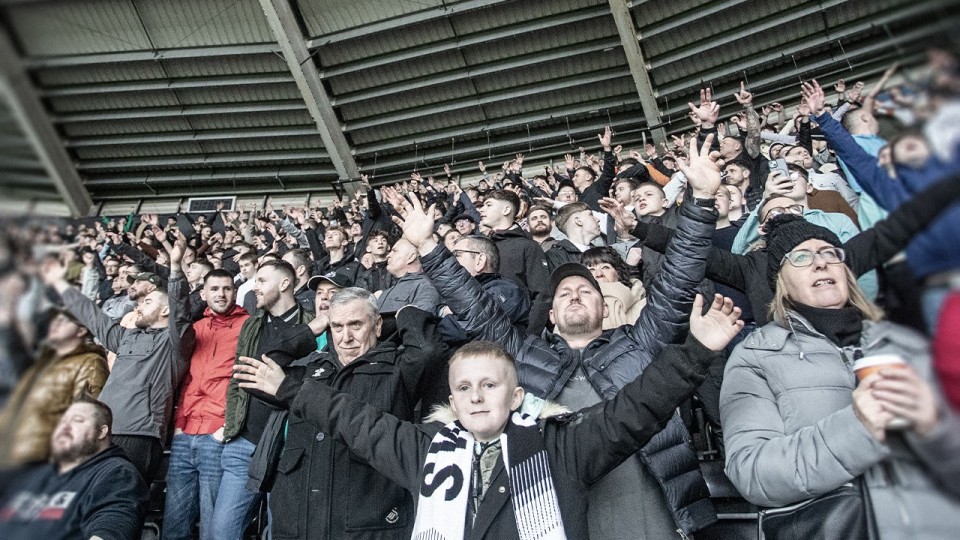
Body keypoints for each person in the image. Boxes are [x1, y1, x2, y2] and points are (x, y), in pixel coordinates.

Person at [391, 136, 724, 538]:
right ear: (550, 315)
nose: (575, 295)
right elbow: (475, 309)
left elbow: (678, 281)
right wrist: (428, 245)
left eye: (587, 291)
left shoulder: (642, 341)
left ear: (605, 308)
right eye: (564, 293)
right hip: (553, 519)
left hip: (651, 513)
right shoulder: (522, 355)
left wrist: (702, 199)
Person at [234, 294, 742, 540]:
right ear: (452, 402)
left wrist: (696, 352)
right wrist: (291, 388)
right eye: (464, 388)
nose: (476, 397)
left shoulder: (561, 447)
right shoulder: (424, 450)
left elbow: (636, 410)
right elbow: (352, 419)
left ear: (516, 395)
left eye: (489, 385)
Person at [720, 215, 960, 539]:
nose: (820, 263)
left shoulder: (903, 344)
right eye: (802, 257)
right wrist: (858, 427)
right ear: (781, 282)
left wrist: (935, 426)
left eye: (830, 253)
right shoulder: (756, 356)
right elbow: (751, 471)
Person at [240, 288, 447, 539]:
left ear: (377, 325)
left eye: (355, 325)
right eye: (337, 327)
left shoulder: (398, 370)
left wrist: (405, 313)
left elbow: (428, 350)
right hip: (297, 524)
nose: (345, 337)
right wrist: (311, 329)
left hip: (367, 526)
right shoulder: (312, 369)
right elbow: (252, 371)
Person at [41, 245, 195, 482]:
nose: (139, 305)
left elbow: (181, 311)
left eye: (148, 302)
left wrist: (175, 269)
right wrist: (60, 285)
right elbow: (93, 316)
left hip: (138, 434)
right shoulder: (127, 336)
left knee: (121, 502)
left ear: (166, 310)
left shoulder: (175, 343)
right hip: (100, 430)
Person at [220, 259, 323, 539]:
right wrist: (232, 427)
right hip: (244, 442)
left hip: (287, 448)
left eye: (262, 280)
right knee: (222, 531)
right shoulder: (251, 325)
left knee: (280, 533)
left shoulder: (311, 324)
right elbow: (238, 378)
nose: (255, 287)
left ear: (285, 283)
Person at [162, 267, 250, 540]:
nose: (221, 294)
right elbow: (187, 380)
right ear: (204, 294)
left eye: (226, 288)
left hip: (218, 434)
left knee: (213, 526)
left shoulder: (248, 325)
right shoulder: (197, 328)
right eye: (215, 289)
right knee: (174, 524)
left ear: (234, 292)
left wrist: (227, 425)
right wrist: (178, 425)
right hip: (185, 434)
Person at [0, 396, 148, 539]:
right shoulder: (37, 474)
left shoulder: (116, 474)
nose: (65, 426)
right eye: (62, 421)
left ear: (101, 432)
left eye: (78, 420)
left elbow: (112, 527)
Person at [0, 309, 108, 469]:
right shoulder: (43, 361)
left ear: (81, 330)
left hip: (41, 461)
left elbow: (85, 418)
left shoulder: (91, 363)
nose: (55, 324)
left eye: (63, 321)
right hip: (12, 452)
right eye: (55, 320)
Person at [580, 246, 646, 330]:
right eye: (591, 270)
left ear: (618, 272)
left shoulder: (643, 306)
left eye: (605, 267)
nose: (599, 274)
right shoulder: (577, 308)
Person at [377, 238, 440, 313]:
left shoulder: (425, 286)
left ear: (410, 257)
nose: (388, 255)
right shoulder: (386, 292)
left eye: (395, 251)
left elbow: (421, 320)